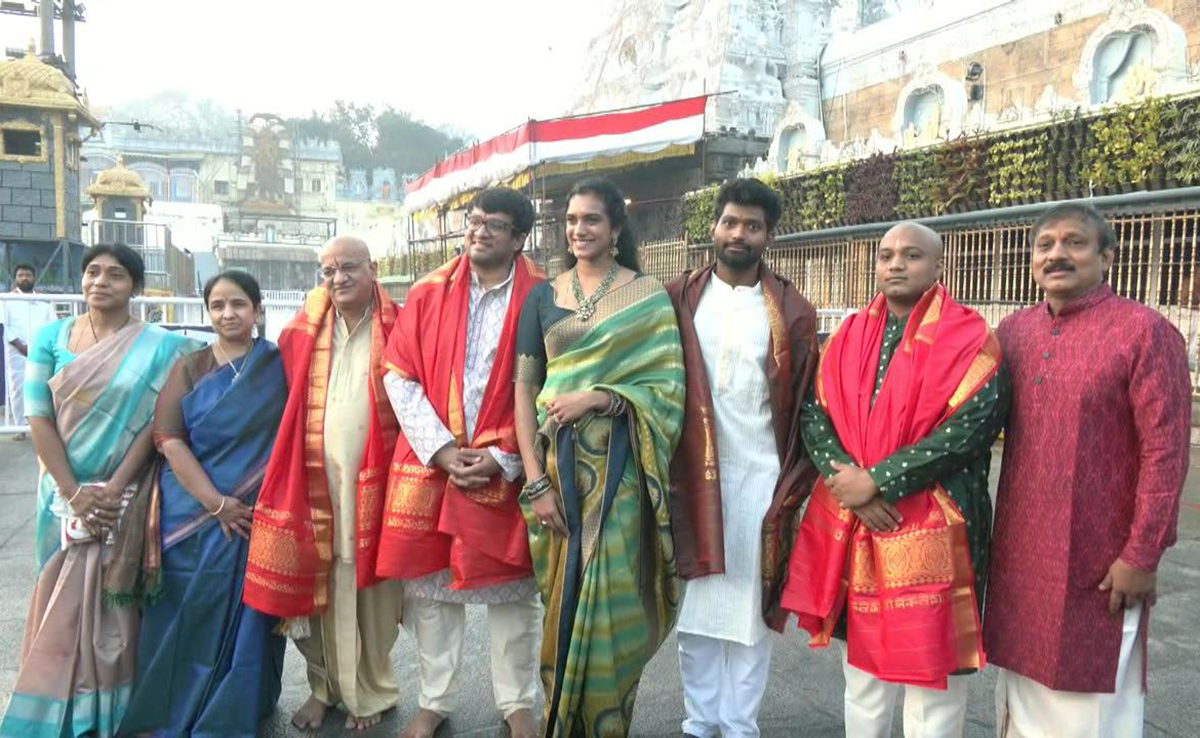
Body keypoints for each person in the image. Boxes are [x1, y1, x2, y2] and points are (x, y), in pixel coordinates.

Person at [782, 222, 1009, 738]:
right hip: (858, 521)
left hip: (938, 524)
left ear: (939, 266)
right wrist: (850, 487)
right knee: (861, 677)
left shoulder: (972, 337)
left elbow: (970, 430)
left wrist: (878, 480)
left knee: (933, 679)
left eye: (912, 255)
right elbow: (815, 414)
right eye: (886, 255)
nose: (896, 265)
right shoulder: (848, 335)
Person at [984, 203, 1191, 738]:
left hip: (1102, 562)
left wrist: (1142, 554)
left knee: (1093, 706)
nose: (1057, 254)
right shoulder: (1013, 332)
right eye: (1045, 244)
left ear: (1106, 256)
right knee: (1021, 694)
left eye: (1074, 243)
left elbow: (1166, 452)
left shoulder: (1145, 333)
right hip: (1020, 555)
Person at [0, 244, 199, 737]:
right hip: (60, 493)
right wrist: (74, 492)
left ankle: (112, 713)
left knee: (118, 605)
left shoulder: (161, 346)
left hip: (124, 493)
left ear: (134, 285)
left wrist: (111, 489)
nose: (100, 281)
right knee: (58, 596)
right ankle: (57, 707)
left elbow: (155, 425)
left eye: (114, 274)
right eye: (92, 272)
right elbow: (38, 417)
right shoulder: (51, 337)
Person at [514, 177, 685, 737]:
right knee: (562, 600)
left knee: (610, 600)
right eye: (570, 220)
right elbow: (523, 392)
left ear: (615, 229)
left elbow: (665, 388)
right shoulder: (542, 296)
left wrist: (603, 397)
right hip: (559, 470)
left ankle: (608, 725)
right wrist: (535, 483)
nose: (578, 229)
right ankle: (559, 721)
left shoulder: (648, 295)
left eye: (590, 219)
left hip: (623, 471)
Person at [378, 188, 545, 738]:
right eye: (474, 221)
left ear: (519, 237)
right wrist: (444, 451)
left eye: (495, 224)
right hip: (433, 465)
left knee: (514, 595)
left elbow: (556, 385)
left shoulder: (544, 296)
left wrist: (506, 457)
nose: (480, 231)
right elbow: (397, 375)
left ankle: (518, 703)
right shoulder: (428, 292)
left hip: (510, 462)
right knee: (433, 595)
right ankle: (434, 701)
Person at [665, 178, 819, 738]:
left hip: (761, 476)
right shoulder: (678, 297)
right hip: (691, 478)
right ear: (714, 227)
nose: (738, 233)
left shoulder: (791, 311)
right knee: (699, 612)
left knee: (752, 609)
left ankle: (740, 725)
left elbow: (806, 400)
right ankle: (699, 722)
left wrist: (798, 481)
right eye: (730, 222)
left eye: (751, 226)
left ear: (768, 237)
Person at [242, 235, 404, 732]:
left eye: (349, 268)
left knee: (372, 592)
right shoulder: (300, 332)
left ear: (372, 268)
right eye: (328, 271)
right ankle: (323, 688)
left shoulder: (401, 327)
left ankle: (370, 690)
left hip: (378, 484)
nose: (337, 279)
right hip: (313, 485)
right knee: (316, 587)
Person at [120, 271, 286, 736]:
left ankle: (235, 708)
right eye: (217, 305)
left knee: (249, 613)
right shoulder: (190, 365)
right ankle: (170, 710)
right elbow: (168, 438)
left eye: (238, 304)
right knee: (183, 613)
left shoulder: (277, 364)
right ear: (207, 311)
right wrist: (216, 503)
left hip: (256, 512)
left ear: (257, 309)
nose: (228, 314)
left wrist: (238, 504)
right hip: (192, 511)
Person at [2, 263, 55, 438]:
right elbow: (4, 326)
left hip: (40, 351)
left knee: (42, 388)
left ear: (34, 278)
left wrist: (43, 346)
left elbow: (52, 324)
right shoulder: (6, 299)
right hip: (16, 352)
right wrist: (19, 346)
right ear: (15, 278)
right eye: (20, 275)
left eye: (28, 275)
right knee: (17, 389)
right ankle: (19, 427)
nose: (24, 278)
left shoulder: (43, 300)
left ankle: (41, 428)